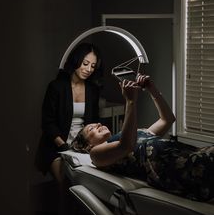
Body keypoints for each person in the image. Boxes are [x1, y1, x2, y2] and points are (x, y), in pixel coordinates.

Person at [71, 74, 214, 201]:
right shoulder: (96, 154)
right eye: (91, 128)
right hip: (176, 167)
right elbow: (126, 146)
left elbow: (168, 119)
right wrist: (130, 101)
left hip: (187, 153)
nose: (98, 124)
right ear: (88, 146)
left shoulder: (132, 133)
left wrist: (152, 89)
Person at [35, 42, 103, 215]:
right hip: (57, 147)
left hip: (82, 147)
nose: (89, 69)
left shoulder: (92, 90)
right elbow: (47, 123)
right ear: (76, 61)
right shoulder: (56, 87)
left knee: (89, 185)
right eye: (85, 63)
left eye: (93, 66)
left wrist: (86, 147)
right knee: (67, 184)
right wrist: (65, 147)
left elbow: (94, 122)